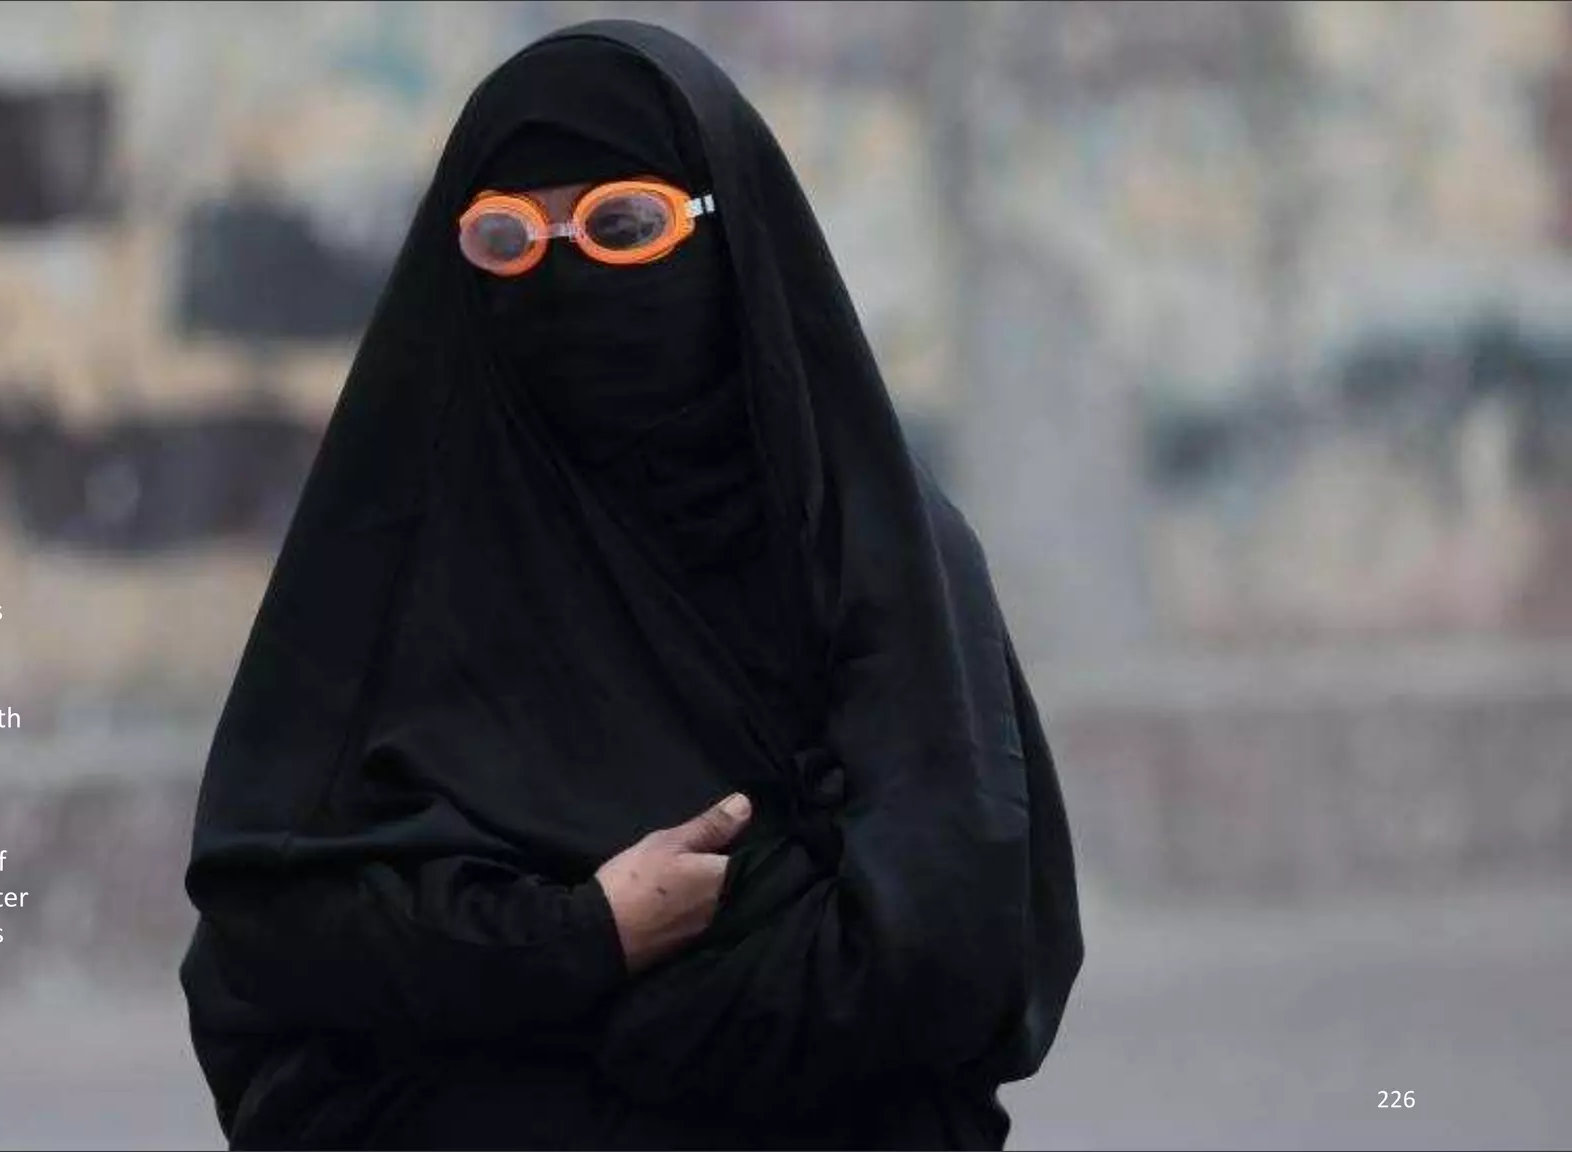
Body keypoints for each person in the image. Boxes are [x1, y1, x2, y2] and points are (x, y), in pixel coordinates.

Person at [178, 19, 1083, 1150]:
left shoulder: (864, 550)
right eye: (505, 239)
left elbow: (946, 947)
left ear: (725, 231)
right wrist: (586, 937)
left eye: (623, 227)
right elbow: (270, 940)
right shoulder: (403, 567)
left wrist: (573, 1016)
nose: (561, 276)